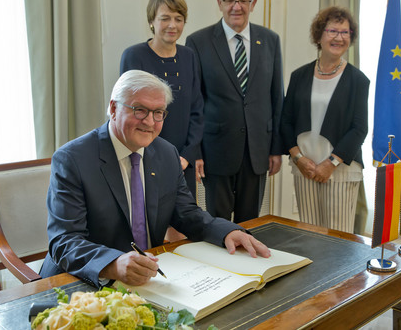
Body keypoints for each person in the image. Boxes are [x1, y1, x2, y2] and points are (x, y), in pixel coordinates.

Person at [40, 70, 270, 287]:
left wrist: (227, 231)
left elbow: (187, 214)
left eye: (158, 112)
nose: (149, 122)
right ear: (113, 108)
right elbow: (65, 241)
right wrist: (112, 264)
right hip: (82, 281)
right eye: (139, 110)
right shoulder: (72, 159)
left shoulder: (166, 153)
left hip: (149, 277)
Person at [186, 0, 283, 223]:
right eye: (229, 0)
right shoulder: (198, 42)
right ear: (220, 3)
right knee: (216, 224)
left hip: (257, 152)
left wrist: (275, 149)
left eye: (243, 0)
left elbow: (276, 97)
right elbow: (194, 102)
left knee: (250, 224)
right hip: (215, 150)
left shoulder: (270, 40)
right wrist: (195, 151)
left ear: (254, 3)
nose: (236, 7)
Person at [280, 6, 369, 233]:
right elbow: (286, 121)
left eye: (345, 32)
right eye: (332, 31)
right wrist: (299, 159)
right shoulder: (299, 75)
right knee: (310, 234)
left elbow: (359, 129)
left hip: (340, 170)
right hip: (304, 167)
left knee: (337, 239)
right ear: (319, 36)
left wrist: (330, 164)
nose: (339, 38)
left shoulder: (358, 80)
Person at [120, 0, 202, 201]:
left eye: (179, 19)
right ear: (152, 21)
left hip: (183, 161)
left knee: (184, 225)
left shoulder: (189, 56)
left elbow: (197, 110)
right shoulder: (134, 56)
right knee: (149, 225)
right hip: (146, 158)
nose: (172, 25)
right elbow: (129, 113)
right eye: (165, 18)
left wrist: (186, 156)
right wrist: (161, 158)